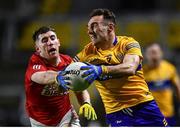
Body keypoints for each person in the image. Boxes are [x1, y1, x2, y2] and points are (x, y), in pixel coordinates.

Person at [72, 8, 168, 126]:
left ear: (110, 28)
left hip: (144, 106)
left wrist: (101, 69)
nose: (89, 32)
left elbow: (130, 68)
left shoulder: (128, 44)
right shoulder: (87, 52)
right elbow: (70, 73)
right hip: (116, 113)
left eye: (93, 26)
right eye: (88, 27)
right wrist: (84, 102)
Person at [24, 26, 97, 127]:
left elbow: (79, 87)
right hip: (40, 121)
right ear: (38, 49)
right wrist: (59, 76)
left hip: (65, 116)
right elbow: (43, 76)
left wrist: (86, 103)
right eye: (44, 40)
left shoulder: (68, 62)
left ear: (58, 42)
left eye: (52, 38)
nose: (50, 42)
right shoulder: (35, 61)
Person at [143, 43, 180, 126]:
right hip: (150, 115)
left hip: (168, 114)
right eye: (151, 53)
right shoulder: (142, 72)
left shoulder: (170, 68)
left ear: (161, 53)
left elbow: (178, 87)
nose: (154, 55)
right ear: (146, 55)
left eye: (155, 52)